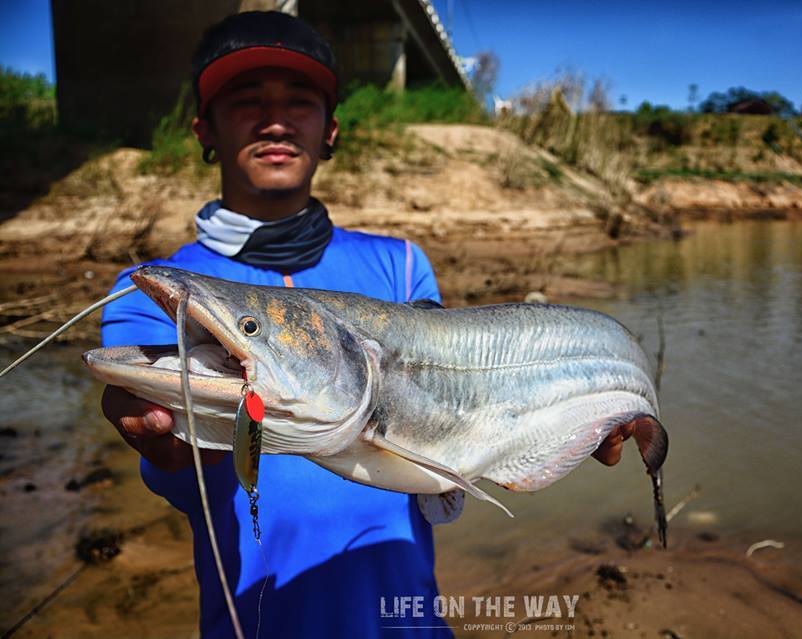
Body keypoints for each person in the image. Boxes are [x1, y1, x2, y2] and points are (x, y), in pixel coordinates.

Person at [99, 11, 634, 638]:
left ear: (330, 132)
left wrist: (562, 420)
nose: (275, 121)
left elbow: (453, 438)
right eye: (245, 101)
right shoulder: (158, 292)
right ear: (203, 130)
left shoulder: (401, 264)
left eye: (300, 102)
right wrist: (173, 441)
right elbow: (178, 461)